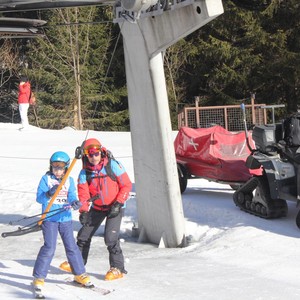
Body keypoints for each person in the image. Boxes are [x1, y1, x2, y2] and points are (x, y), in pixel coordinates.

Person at [59, 138, 132, 281]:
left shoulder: (113, 165)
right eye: (90, 154)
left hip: (114, 207)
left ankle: (118, 268)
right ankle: (77, 263)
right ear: (86, 155)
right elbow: (84, 195)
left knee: (110, 238)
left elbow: (127, 185)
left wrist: (118, 203)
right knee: (83, 236)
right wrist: (84, 211)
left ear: (101, 152)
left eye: (96, 153)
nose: (94, 157)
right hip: (97, 207)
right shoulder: (84, 173)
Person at [32, 151, 93, 293]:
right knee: (49, 247)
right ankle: (38, 277)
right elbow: (39, 199)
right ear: (51, 167)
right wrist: (48, 193)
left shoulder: (69, 180)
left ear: (66, 167)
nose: (57, 171)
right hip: (49, 219)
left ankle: (79, 274)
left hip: (65, 219)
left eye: (60, 168)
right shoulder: (45, 179)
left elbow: (72, 196)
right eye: (55, 167)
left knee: (71, 246)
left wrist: (75, 203)